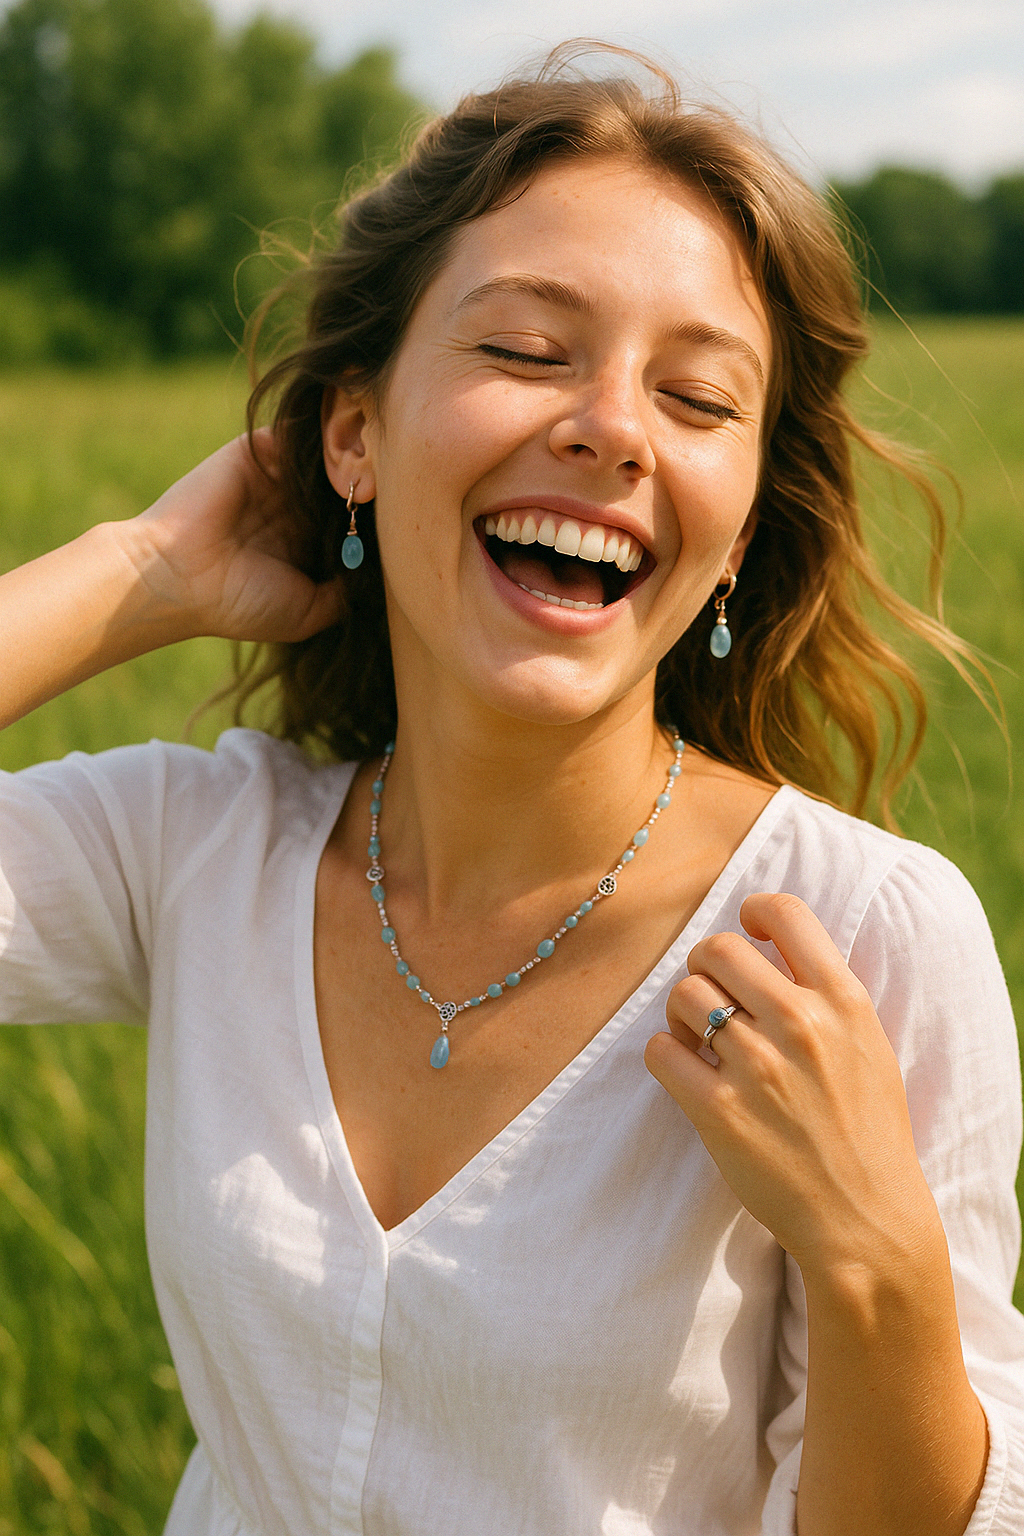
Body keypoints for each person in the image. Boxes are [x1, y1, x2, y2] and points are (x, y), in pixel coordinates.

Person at [1, 45, 1022, 1536]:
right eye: (530, 353)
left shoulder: (858, 938)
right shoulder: (196, 850)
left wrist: (878, 1268)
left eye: (695, 395)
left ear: (733, 537)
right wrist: (139, 574)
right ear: (353, 434)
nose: (612, 426)